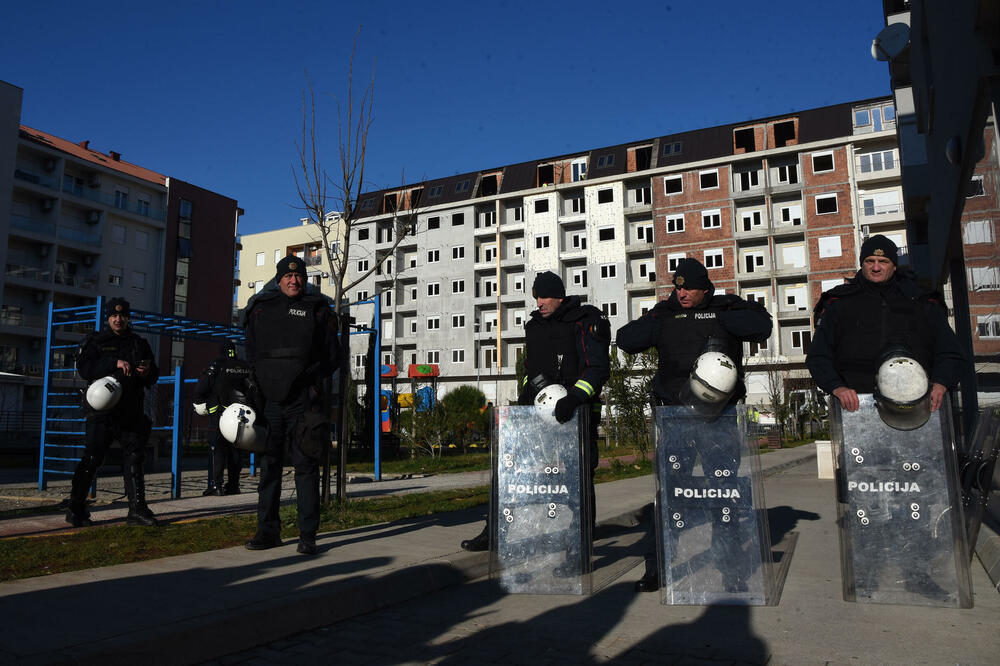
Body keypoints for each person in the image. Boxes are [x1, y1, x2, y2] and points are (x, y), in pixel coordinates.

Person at [616, 257, 772, 592]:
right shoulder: (665, 314)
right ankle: (656, 567)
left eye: (689, 288)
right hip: (675, 418)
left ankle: (730, 567)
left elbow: (762, 326)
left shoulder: (725, 308)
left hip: (720, 418)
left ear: (705, 287)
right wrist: (658, 317)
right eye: (678, 287)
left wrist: (722, 315)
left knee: (723, 492)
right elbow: (626, 339)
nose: (683, 293)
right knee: (669, 494)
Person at [460, 271, 610, 552]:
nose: (539, 302)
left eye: (543, 296)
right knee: (509, 470)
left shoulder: (583, 321)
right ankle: (494, 530)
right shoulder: (535, 326)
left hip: (576, 414)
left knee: (577, 478)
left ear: (558, 296)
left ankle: (580, 540)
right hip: (538, 414)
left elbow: (598, 368)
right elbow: (531, 371)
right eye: (536, 297)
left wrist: (575, 397)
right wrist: (523, 406)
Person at [243, 255, 338, 555]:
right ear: (279, 278)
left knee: (305, 468)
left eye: (298, 276)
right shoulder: (259, 309)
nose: (293, 280)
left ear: (305, 279)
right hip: (270, 402)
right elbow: (251, 354)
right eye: (287, 276)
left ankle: (307, 535)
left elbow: (332, 357)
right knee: (269, 468)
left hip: (303, 402)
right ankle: (267, 531)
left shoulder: (318, 310)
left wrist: (309, 382)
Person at [806, 234, 964, 413]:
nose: (875, 267)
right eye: (869, 261)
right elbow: (818, 356)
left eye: (883, 261)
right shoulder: (839, 304)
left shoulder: (922, 302)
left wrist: (941, 383)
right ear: (861, 264)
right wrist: (837, 387)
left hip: (918, 406)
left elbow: (950, 352)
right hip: (856, 409)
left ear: (894, 265)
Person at [66, 297, 160, 527]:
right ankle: (75, 508)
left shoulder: (139, 343)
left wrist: (146, 371)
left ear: (128, 317)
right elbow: (86, 370)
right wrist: (114, 363)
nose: (119, 319)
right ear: (108, 318)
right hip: (102, 412)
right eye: (114, 316)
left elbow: (154, 375)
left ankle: (137, 509)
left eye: (123, 315)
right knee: (92, 458)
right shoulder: (96, 342)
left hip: (131, 410)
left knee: (135, 458)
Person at [193, 342, 253, 496]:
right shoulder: (244, 367)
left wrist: (203, 403)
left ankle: (216, 486)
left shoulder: (217, 366)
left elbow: (200, 389)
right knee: (235, 451)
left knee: (217, 449)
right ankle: (234, 485)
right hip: (242, 417)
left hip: (219, 415)